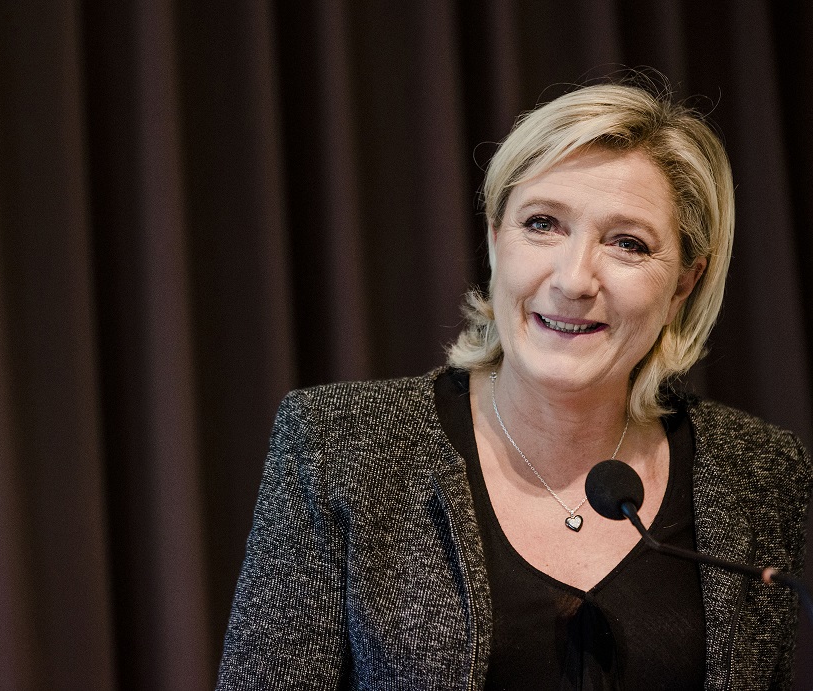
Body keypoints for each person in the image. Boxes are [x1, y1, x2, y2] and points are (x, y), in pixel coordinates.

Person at [216, 80, 812, 689]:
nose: (573, 280)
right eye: (543, 224)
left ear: (685, 281)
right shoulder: (340, 443)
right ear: (496, 238)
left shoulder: (759, 474)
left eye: (627, 243)